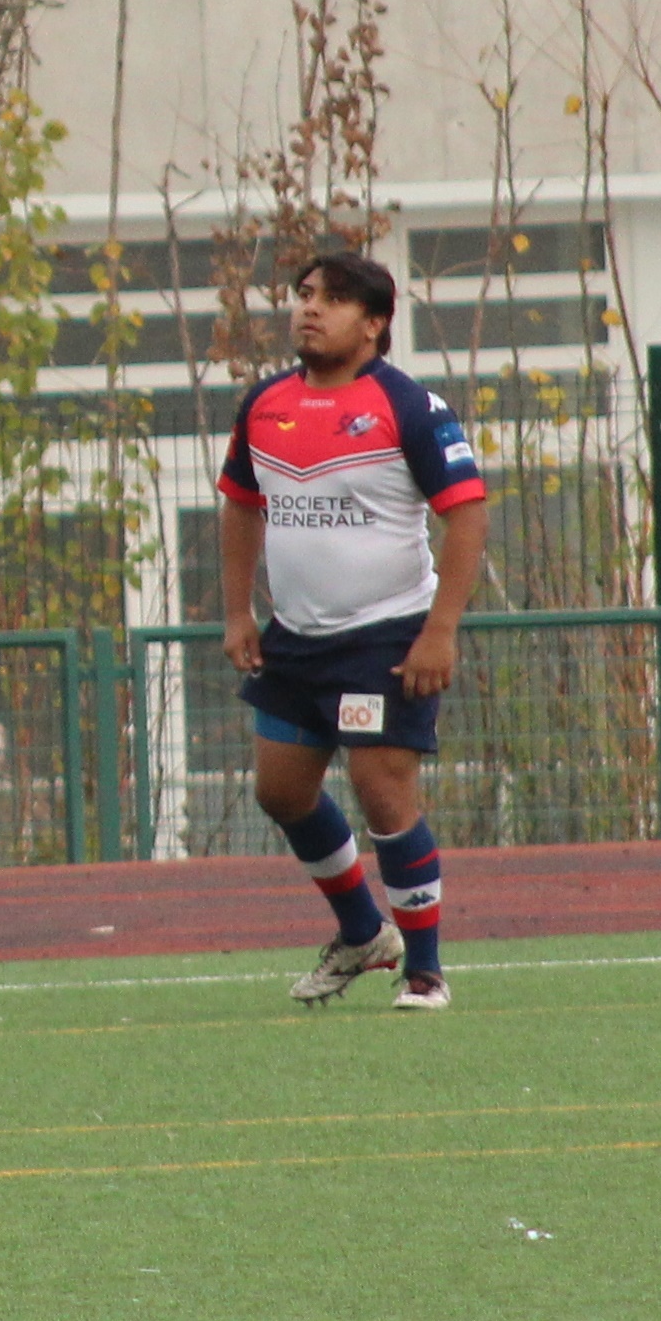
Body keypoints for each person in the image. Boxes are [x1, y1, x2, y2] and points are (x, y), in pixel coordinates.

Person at [223, 250, 489, 1010]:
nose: (310, 308)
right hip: (294, 638)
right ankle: (362, 930)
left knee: (382, 793)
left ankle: (426, 973)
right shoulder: (264, 403)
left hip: (383, 637)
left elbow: (466, 511)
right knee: (279, 791)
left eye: (334, 299)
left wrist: (440, 629)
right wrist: (238, 609)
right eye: (304, 294)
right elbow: (241, 502)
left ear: (373, 323)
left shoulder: (408, 405)